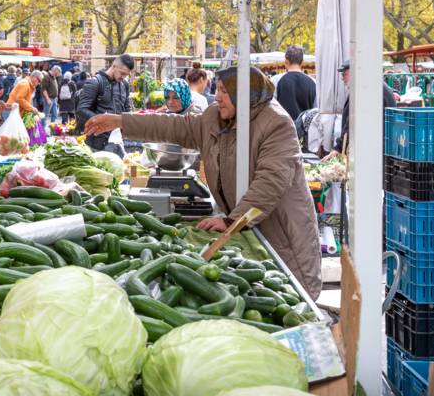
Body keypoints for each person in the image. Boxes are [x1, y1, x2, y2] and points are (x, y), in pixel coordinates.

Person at [85, 66, 322, 299]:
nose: (216, 96)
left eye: (224, 91)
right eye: (217, 89)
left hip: (281, 231)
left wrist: (231, 220)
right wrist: (120, 121)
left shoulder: (276, 124)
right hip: (247, 223)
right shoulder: (215, 117)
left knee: (293, 296)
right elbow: (174, 126)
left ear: (245, 94)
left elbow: (271, 181)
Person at [324, 59, 396, 160]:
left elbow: (353, 122)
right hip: (377, 148)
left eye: (344, 74)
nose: (342, 78)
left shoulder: (366, 89)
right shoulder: (372, 86)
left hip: (374, 151)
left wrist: (338, 148)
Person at [76, 54, 134, 151]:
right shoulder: (95, 82)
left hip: (117, 139)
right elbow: (81, 109)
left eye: (126, 75)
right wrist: (103, 120)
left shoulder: (125, 85)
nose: (123, 77)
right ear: (114, 66)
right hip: (96, 139)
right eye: (122, 73)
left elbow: (126, 108)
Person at [275, 45, 317, 121]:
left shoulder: (275, 81)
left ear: (286, 61)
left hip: (281, 130)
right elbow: (315, 112)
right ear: (302, 62)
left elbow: (272, 108)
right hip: (305, 130)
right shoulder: (313, 83)